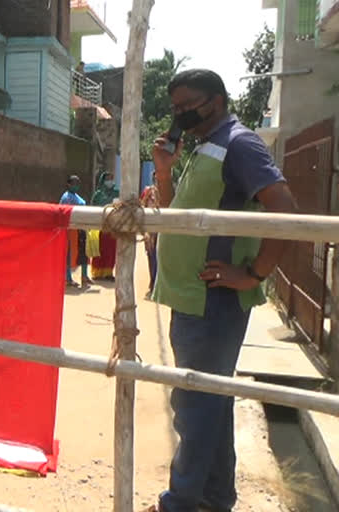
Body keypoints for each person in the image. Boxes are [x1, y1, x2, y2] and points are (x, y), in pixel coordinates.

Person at [144, 70, 296, 512]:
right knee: (209, 401)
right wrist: (164, 171)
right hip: (189, 297)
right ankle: (214, 497)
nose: (178, 114)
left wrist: (253, 273)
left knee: (193, 402)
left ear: (216, 100)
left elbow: (284, 208)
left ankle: (181, 503)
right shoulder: (202, 147)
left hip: (212, 301)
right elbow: (175, 214)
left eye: (186, 104)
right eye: (174, 107)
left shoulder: (239, 144)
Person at [59, 175, 92, 287]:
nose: (76, 185)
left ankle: (84, 276)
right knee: (70, 253)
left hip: (80, 229)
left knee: (83, 253)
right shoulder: (66, 197)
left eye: (77, 183)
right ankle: (68, 278)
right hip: (71, 230)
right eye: (73, 183)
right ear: (68, 184)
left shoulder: (76, 196)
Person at [90, 171, 119, 280]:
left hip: (113, 226)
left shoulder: (117, 193)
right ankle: (97, 272)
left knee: (111, 250)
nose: (110, 181)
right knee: (99, 249)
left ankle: (108, 273)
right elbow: (93, 207)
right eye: (108, 179)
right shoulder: (98, 194)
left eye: (111, 178)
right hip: (100, 226)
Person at [140, 171, 159, 298]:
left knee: (160, 258)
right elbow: (142, 206)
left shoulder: (166, 191)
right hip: (149, 230)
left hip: (161, 229)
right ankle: (152, 284)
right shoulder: (148, 191)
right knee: (151, 257)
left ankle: (158, 286)